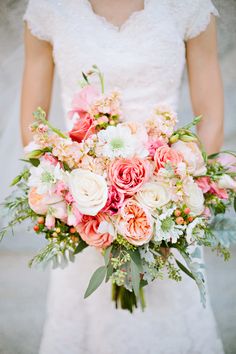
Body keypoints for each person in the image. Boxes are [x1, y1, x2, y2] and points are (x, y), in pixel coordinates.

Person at [21, 1, 224, 353]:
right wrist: (74, 189)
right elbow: (33, 125)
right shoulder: (48, 9)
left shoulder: (188, 7)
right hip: (84, 210)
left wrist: (176, 193)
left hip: (167, 205)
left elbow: (211, 116)